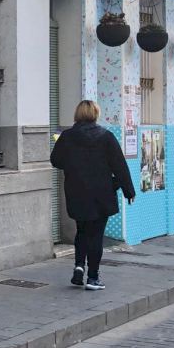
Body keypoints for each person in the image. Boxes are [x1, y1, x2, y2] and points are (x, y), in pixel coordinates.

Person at [50, 100, 135, 291]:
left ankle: (79, 266)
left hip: (76, 192)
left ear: (77, 114)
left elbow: (55, 160)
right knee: (96, 235)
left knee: (81, 230)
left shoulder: (67, 137)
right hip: (101, 194)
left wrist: (73, 165)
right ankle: (93, 277)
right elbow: (119, 166)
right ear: (95, 114)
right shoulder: (106, 137)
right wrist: (128, 190)